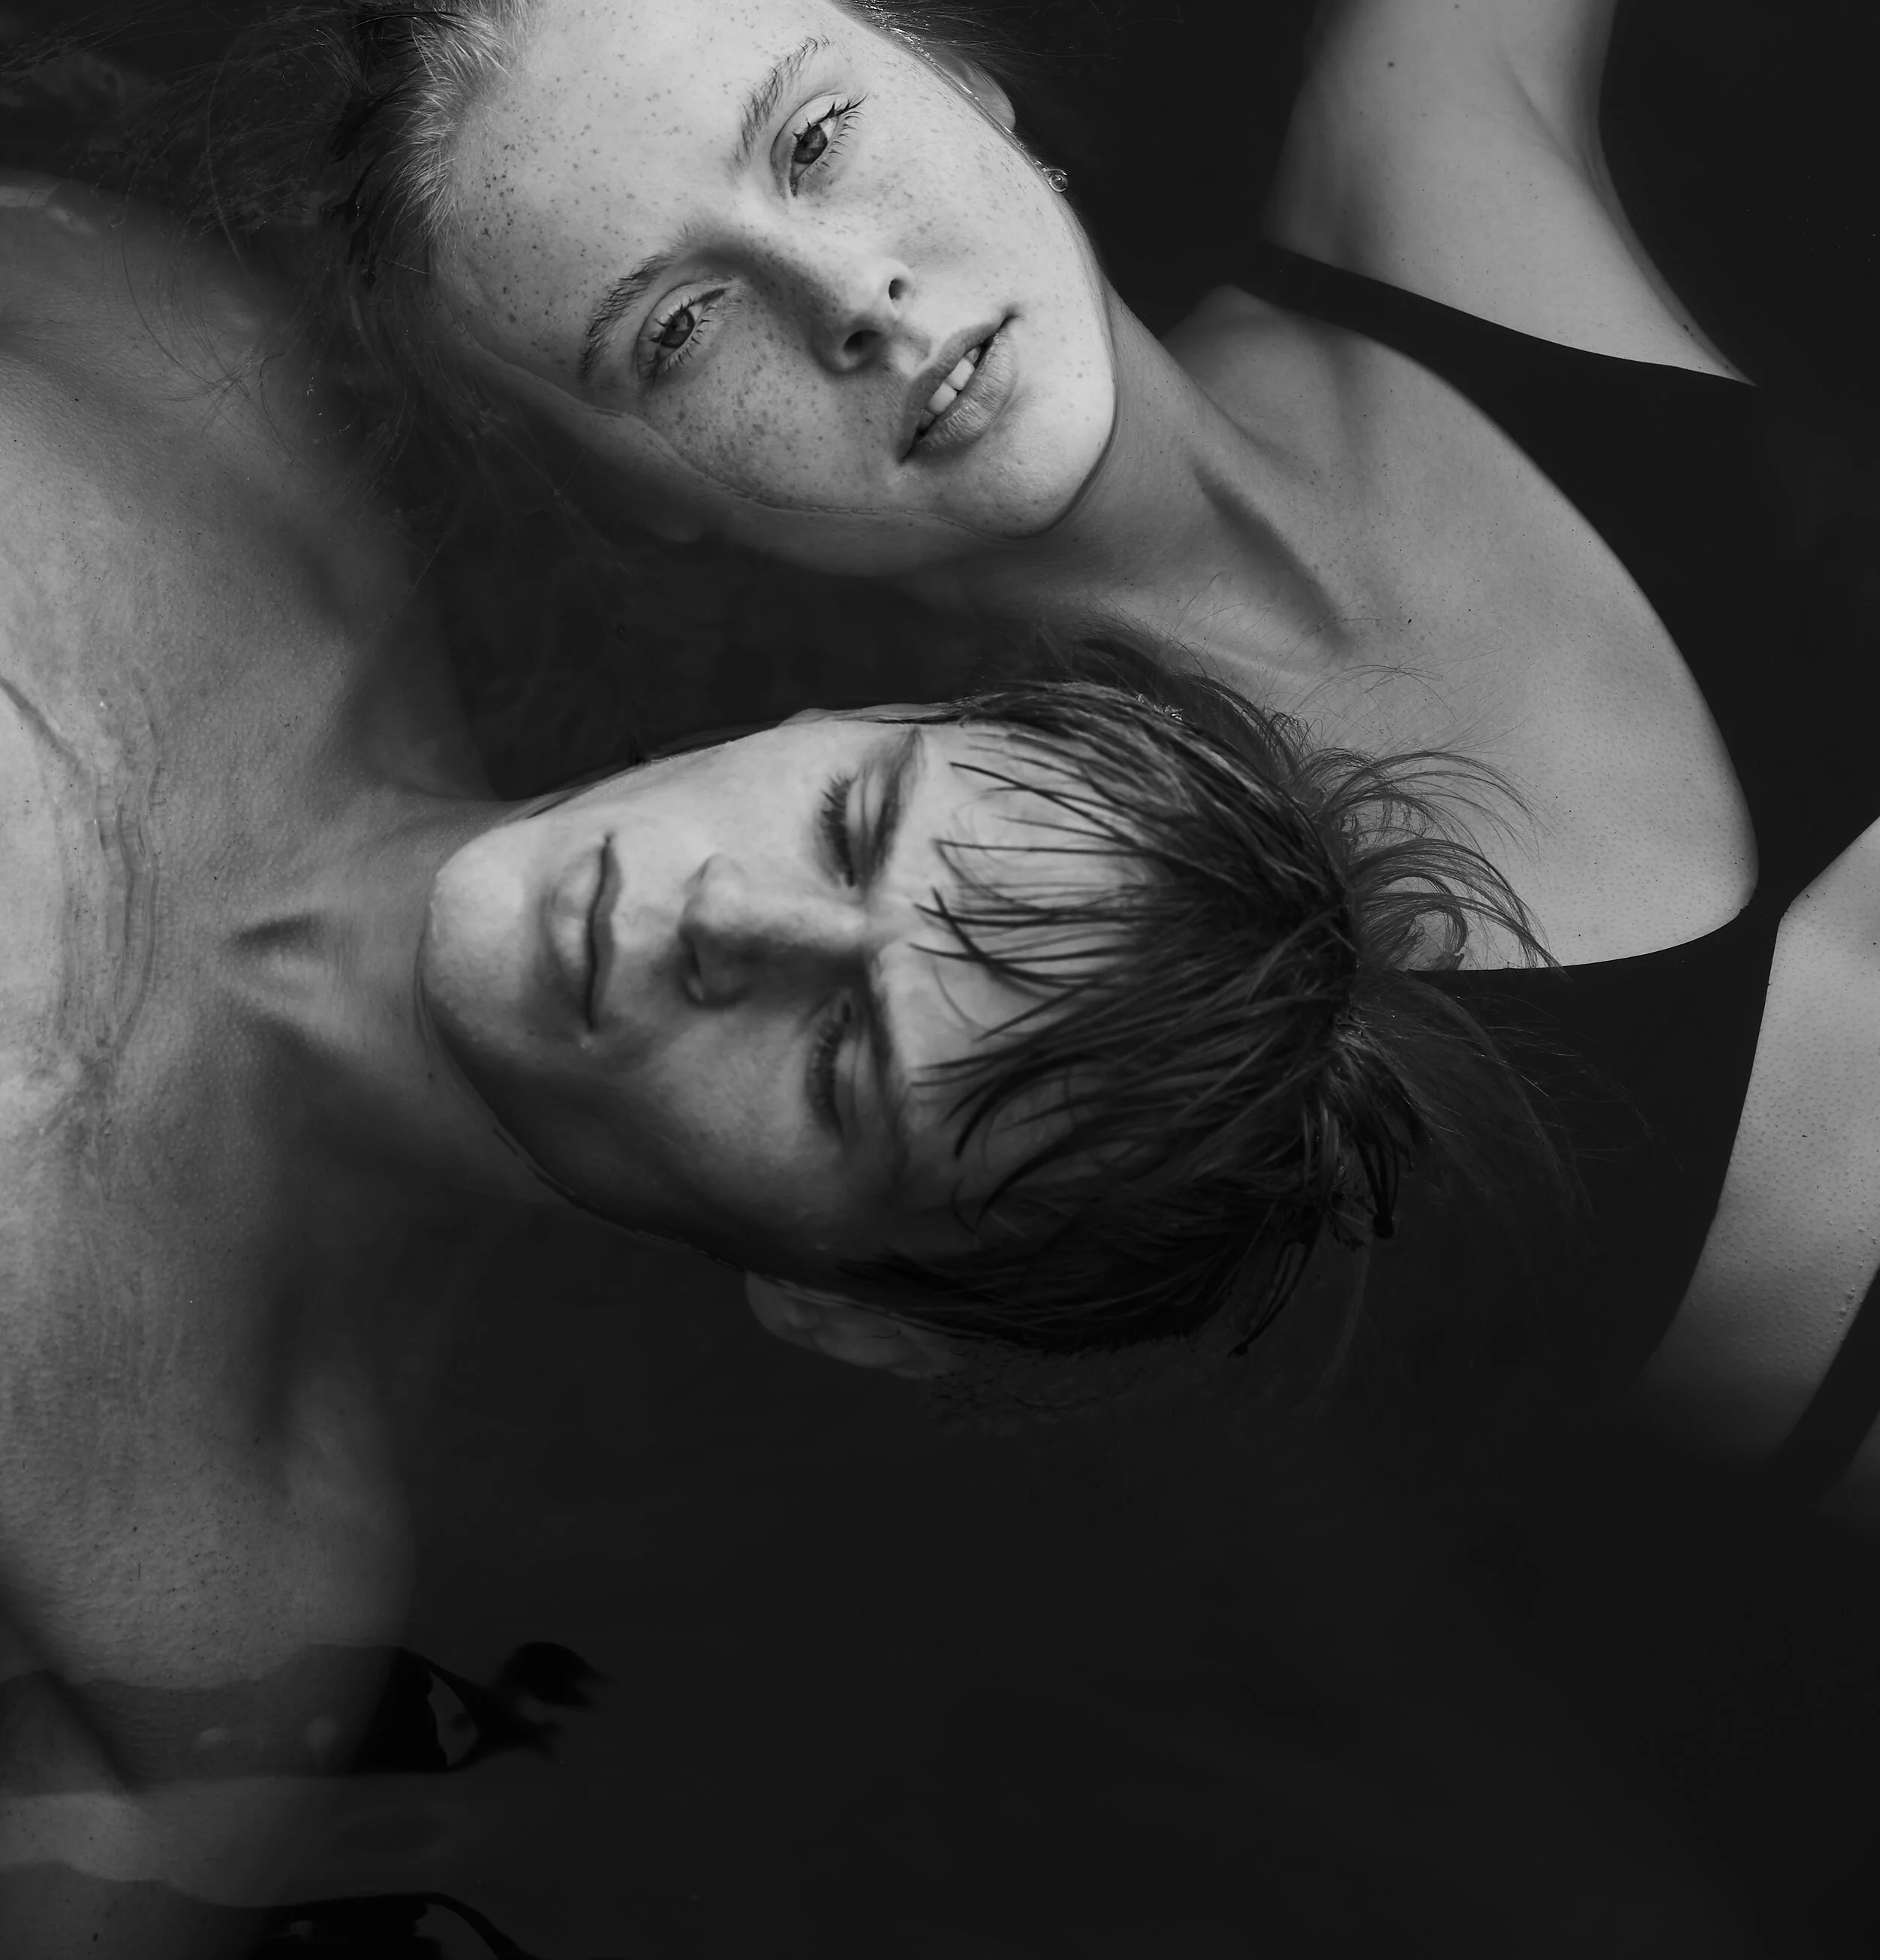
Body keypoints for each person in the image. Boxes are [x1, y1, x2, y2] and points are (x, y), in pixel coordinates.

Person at [190, 0, 1880, 1516]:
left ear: (959, 80)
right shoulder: (949, 998)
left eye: (810, 136)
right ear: (640, 513)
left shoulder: (1438, 193)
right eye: (679, 335)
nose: (853, 293)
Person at [0, 165, 1569, 1953]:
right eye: (850, 825)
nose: (730, 923)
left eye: (842, 1060)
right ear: (853, 717)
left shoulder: (185, 1630)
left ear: (843, 1303)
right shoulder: (171, 389)